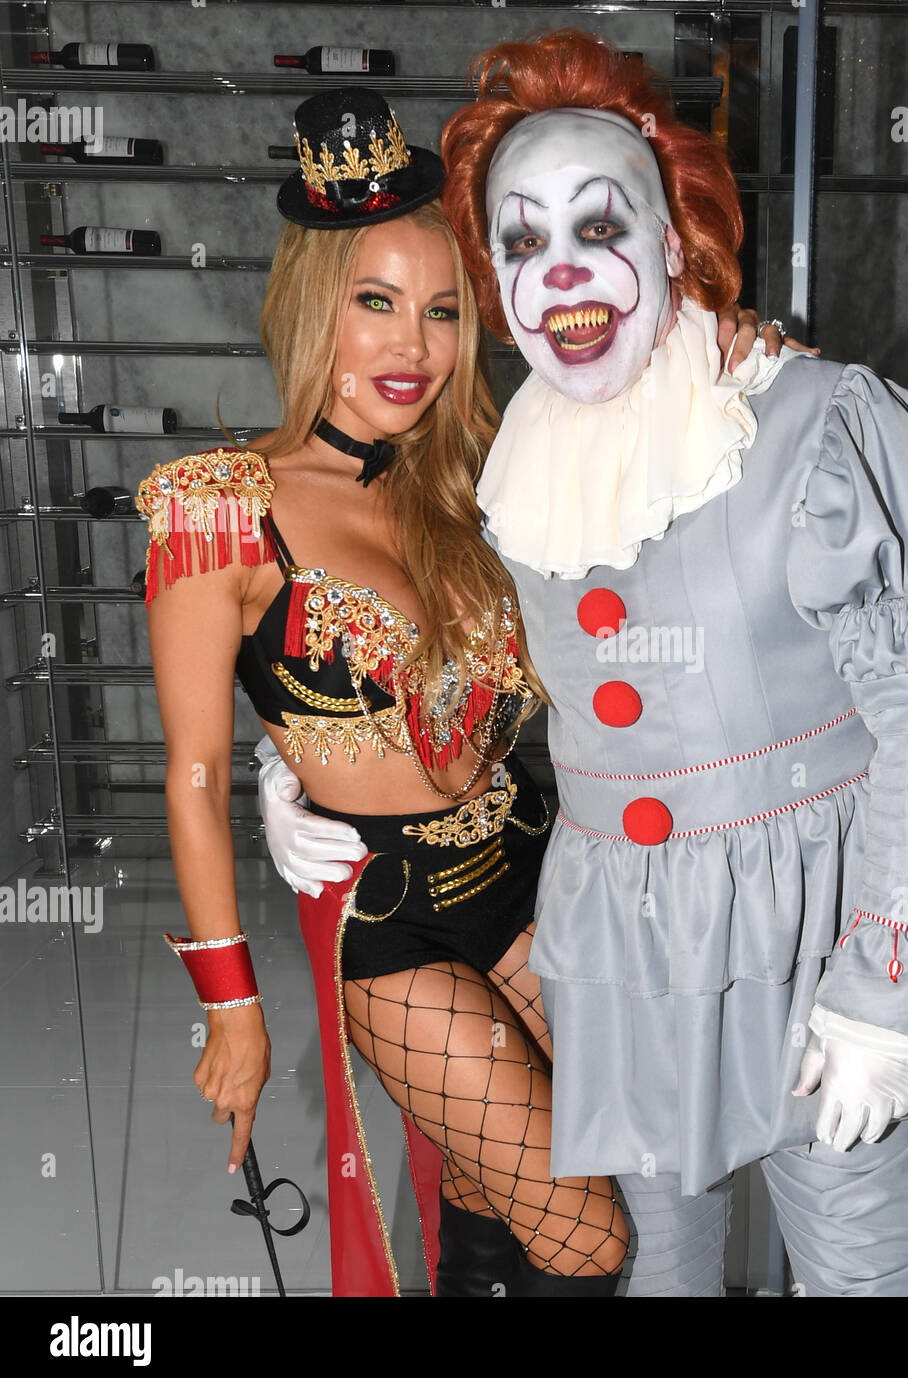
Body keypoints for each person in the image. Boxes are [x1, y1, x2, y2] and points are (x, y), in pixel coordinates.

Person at [265, 29, 908, 1297]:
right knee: (657, 1268)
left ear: (673, 243)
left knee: (857, 1268)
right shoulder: (511, 465)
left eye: (600, 226)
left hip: (810, 931)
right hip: (617, 946)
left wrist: (885, 982)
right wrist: (294, 767)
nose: (561, 270)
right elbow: (432, 650)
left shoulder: (812, 424)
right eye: (521, 243)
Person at [138, 87, 784, 1297]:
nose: (414, 348)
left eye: (442, 311)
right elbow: (188, 771)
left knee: (512, 1181)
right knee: (588, 1233)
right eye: (375, 304)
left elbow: (646, 451)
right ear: (311, 307)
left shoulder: (476, 474)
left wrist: (730, 349)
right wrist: (230, 1005)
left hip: (537, 871)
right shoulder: (217, 509)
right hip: (394, 926)